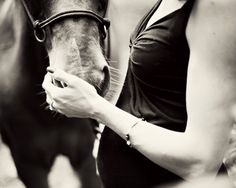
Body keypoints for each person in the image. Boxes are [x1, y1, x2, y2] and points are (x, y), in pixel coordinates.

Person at [42, 0, 236, 187]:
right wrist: (110, 137)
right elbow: (157, 100)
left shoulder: (215, 7)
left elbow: (200, 162)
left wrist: (96, 108)